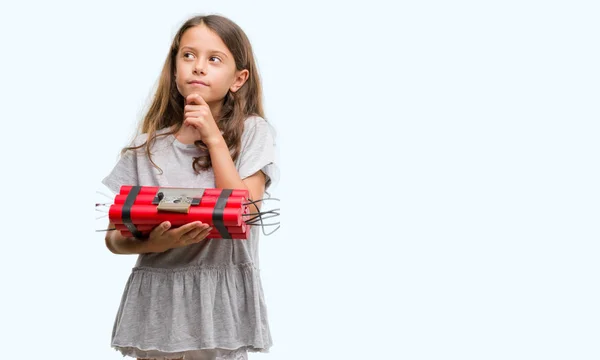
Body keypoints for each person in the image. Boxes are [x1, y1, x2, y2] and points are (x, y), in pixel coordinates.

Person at [102, 14, 277, 360]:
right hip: (158, 302)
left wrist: (213, 137)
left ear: (238, 79)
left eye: (214, 59)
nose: (198, 67)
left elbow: (241, 210)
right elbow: (112, 236)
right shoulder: (146, 148)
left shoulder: (254, 133)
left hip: (219, 302)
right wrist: (155, 242)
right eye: (188, 55)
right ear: (175, 68)